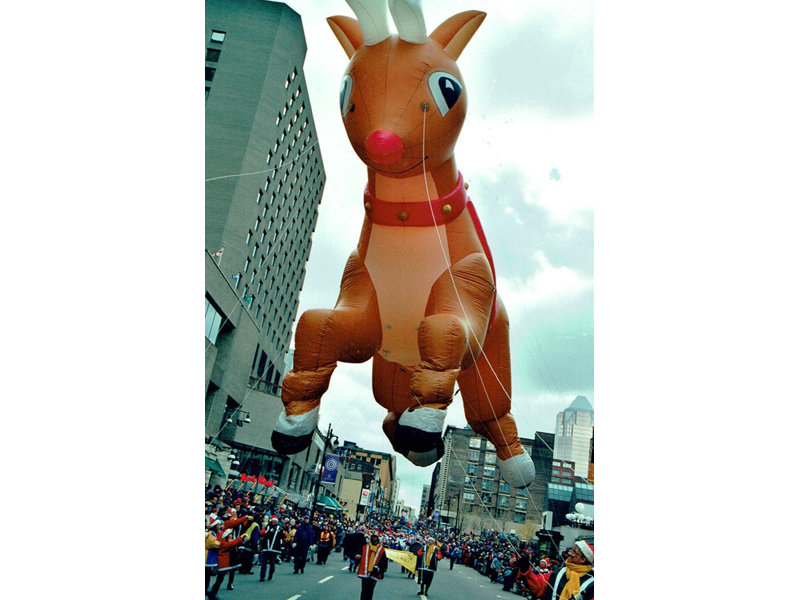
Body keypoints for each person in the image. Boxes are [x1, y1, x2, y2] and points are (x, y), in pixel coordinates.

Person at [207, 528, 246, 600]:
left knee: (220, 579)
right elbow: (231, 544)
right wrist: (240, 538)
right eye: (230, 534)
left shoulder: (226, 542)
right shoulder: (224, 543)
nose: (231, 535)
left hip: (226, 563)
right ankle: (212, 593)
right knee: (219, 579)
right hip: (223, 563)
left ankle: (212, 593)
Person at [355, 532, 389, 600]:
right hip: (365, 571)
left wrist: (378, 568)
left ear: (378, 538)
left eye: (375, 537)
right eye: (373, 537)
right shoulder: (365, 547)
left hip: (375, 572)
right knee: (364, 590)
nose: (374, 538)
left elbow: (384, 561)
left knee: (370, 590)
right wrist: (358, 557)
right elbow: (360, 555)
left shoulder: (381, 549)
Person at [259, 516, 284, 582]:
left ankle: (270, 574)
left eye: (275, 521)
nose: (274, 522)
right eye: (273, 521)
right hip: (266, 548)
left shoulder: (279, 528)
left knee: (272, 562)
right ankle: (262, 576)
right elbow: (261, 533)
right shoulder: (267, 527)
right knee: (264, 562)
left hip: (274, 548)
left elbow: (283, 536)